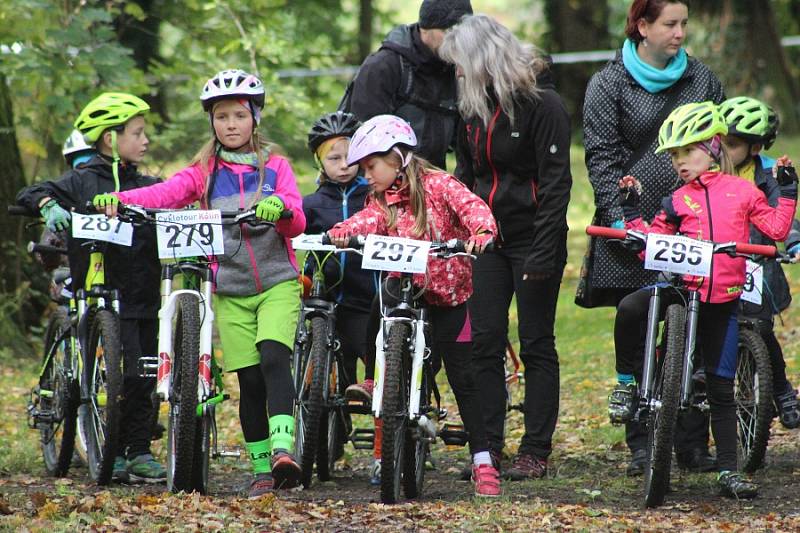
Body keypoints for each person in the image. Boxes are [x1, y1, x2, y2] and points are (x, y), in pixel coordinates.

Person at [92, 69, 307, 499]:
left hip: (277, 283)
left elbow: (298, 217)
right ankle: (263, 469)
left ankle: (285, 448)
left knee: (273, 357)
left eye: (239, 116)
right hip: (228, 288)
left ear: (255, 120)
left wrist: (279, 206)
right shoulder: (204, 173)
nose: (230, 124)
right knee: (248, 380)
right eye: (222, 116)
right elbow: (165, 193)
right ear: (211, 122)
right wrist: (122, 200)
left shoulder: (276, 167)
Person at [611, 101, 797, 498]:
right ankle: (627, 383)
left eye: (688, 151)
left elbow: (777, 228)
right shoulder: (675, 200)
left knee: (721, 388)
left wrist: (787, 189)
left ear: (713, 146)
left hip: (722, 301)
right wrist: (630, 217)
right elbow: (651, 246)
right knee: (630, 308)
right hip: (680, 289)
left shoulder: (744, 192)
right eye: (675, 155)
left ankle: (729, 470)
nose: (680, 162)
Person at [582, 0, 725, 475]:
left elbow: (721, 147)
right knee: (640, 325)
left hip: (698, 224)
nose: (680, 32)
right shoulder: (607, 83)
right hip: (634, 228)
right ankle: (642, 442)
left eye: (685, 23)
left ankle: (691, 442)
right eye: (670, 24)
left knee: (698, 328)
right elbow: (601, 158)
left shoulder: (703, 81)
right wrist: (619, 217)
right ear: (642, 26)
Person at [327, 114, 502, 497]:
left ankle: (483, 460)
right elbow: (368, 219)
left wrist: (481, 232)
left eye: (371, 166)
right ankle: (379, 377)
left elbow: (473, 207)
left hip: (450, 295)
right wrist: (344, 232)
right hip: (404, 290)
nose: (366, 175)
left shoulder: (439, 185)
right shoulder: (380, 198)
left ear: (396, 157)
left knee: (463, 378)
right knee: (382, 298)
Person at [438, 14, 571, 481]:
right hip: (487, 241)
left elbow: (556, 186)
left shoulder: (544, 104)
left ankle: (535, 449)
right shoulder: (471, 108)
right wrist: (452, 227)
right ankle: (487, 448)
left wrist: (543, 250)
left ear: (480, 60)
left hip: (535, 238)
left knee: (536, 343)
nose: (455, 74)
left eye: (458, 65)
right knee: (483, 342)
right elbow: (466, 176)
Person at [16, 92, 166, 484]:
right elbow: (28, 193)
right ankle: (110, 450)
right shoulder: (81, 180)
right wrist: (49, 204)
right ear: (109, 138)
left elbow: (180, 199)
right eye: (137, 133)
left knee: (142, 376)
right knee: (108, 374)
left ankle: (139, 450)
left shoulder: (149, 184)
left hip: (143, 292)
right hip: (97, 293)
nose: (145, 140)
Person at [719, 96, 800, 429]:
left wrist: (793, 242)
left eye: (733, 143)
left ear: (753, 149)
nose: (722, 148)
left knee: (761, 330)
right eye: (719, 140)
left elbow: (785, 212)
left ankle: (780, 389)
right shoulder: (708, 168)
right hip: (717, 265)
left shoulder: (768, 174)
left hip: (757, 265)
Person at [342, 0, 472, 169]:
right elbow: (362, 143)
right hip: (383, 183)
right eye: (448, 31)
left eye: (462, 32)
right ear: (425, 28)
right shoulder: (384, 66)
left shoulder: (458, 70)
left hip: (434, 184)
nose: (457, 40)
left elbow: (466, 145)